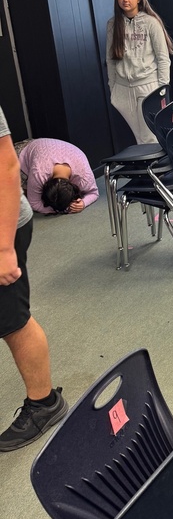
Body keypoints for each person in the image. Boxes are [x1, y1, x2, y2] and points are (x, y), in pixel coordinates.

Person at [0, 107, 68, 452]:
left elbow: (8, 166)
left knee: (12, 322)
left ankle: (44, 404)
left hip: (4, 231)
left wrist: (3, 248)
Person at [106, 0, 173, 145]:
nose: (125, 0)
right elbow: (110, 58)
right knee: (139, 137)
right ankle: (148, 169)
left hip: (148, 87)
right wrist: (112, 86)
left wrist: (162, 88)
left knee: (150, 136)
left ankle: (156, 170)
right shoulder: (113, 24)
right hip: (122, 89)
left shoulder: (151, 23)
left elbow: (163, 58)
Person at [18, 138, 99, 215]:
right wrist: (56, 210)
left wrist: (83, 203)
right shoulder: (39, 173)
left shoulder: (84, 176)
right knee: (19, 197)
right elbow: (34, 203)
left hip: (42, 148)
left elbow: (94, 193)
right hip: (24, 152)